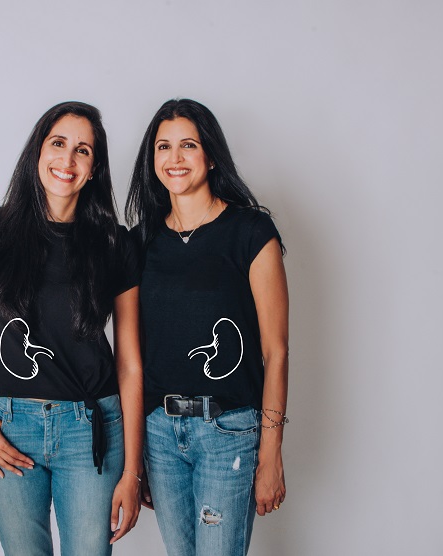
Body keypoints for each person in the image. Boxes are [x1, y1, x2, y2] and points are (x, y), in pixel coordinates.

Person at [0, 101, 143, 556]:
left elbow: (131, 363)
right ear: (37, 151)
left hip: (92, 429)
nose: (67, 161)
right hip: (7, 428)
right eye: (58, 144)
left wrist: (133, 469)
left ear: (95, 168)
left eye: (83, 151)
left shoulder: (116, 243)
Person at [125, 98, 288, 556]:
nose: (174, 159)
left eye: (188, 145)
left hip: (229, 432)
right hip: (160, 435)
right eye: (163, 146)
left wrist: (271, 452)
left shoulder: (252, 233)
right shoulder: (140, 242)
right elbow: (133, 357)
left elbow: (276, 351)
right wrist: (135, 457)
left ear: (211, 155)